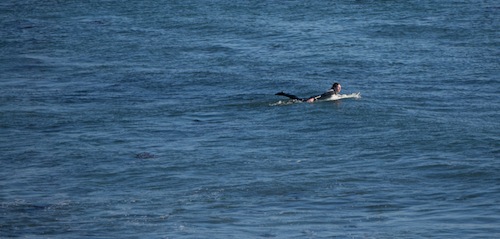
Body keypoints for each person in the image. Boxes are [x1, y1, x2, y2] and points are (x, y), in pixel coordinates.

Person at [275, 82, 342, 103]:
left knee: (297, 98)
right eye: (338, 87)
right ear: (335, 87)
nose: (340, 89)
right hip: (312, 99)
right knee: (297, 99)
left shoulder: (334, 92)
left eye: (340, 87)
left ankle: (284, 93)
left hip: (313, 98)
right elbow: (321, 95)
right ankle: (283, 93)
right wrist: (313, 98)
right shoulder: (331, 92)